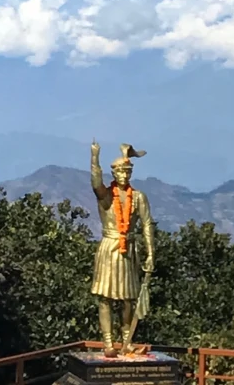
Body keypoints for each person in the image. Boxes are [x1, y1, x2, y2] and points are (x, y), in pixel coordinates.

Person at [89, 140, 156, 357]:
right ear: (114, 174)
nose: (124, 176)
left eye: (127, 172)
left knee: (129, 298)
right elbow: (95, 182)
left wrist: (151, 253)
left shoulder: (139, 197)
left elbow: (146, 223)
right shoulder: (106, 196)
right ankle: (108, 343)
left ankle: (126, 340)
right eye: (120, 172)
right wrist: (94, 158)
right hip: (109, 247)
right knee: (105, 298)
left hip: (129, 250)